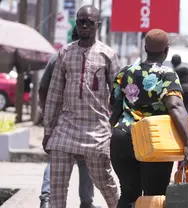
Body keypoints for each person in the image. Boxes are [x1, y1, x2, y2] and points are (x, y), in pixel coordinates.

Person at [42, 5, 120, 208]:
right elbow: (54, 95)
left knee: (106, 183)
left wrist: (112, 128)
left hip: (96, 131)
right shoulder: (65, 53)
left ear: (98, 25)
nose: (84, 26)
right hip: (65, 129)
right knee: (57, 189)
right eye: (80, 22)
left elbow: (118, 96)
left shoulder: (108, 55)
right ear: (76, 23)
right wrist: (48, 130)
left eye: (89, 23)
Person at [109, 29, 188, 207]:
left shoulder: (126, 72)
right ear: (166, 50)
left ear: (145, 48)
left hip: (123, 138)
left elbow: (114, 106)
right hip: (154, 141)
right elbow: (175, 106)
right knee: (154, 196)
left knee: (128, 194)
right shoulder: (167, 75)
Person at [38, 26, 95, 208]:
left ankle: (46, 199)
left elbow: (42, 88)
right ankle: (86, 202)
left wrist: (47, 111)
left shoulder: (57, 56)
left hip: (60, 118)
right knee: (86, 160)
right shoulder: (91, 57)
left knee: (56, 159)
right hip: (84, 119)